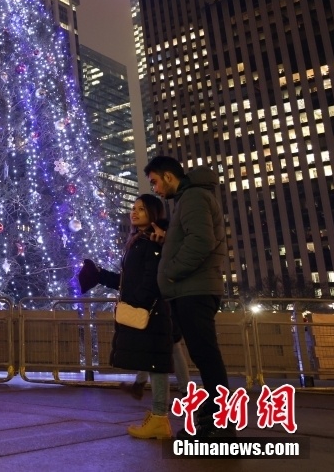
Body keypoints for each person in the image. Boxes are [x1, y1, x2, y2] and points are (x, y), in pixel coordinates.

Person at [144, 155, 233, 439]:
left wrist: (170, 272)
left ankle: (220, 425)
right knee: (203, 355)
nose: (156, 189)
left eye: (156, 182)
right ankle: (212, 421)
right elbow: (194, 238)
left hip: (195, 290)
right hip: (191, 289)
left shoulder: (193, 198)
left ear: (169, 176)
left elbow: (201, 241)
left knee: (206, 356)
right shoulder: (191, 199)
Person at [79, 194, 174, 439]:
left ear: (153, 212)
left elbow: (151, 280)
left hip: (151, 312)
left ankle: (160, 418)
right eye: (133, 208)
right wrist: (100, 275)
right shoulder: (138, 241)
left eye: (141, 209)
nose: (134, 212)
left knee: (158, 365)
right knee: (155, 364)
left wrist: (135, 303)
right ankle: (158, 417)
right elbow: (128, 281)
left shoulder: (153, 241)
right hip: (147, 309)